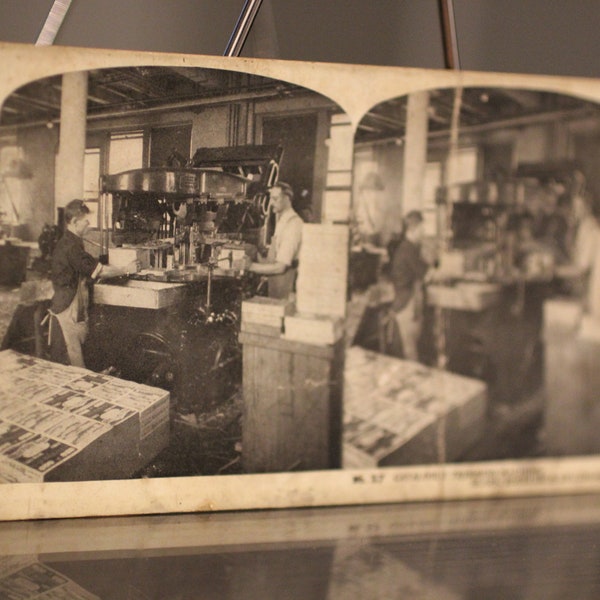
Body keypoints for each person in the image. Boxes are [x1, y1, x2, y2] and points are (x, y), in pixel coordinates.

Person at [48, 199, 139, 367]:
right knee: (73, 363)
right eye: (86, 221)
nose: (89, 225)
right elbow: (100, 271)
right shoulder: (71, 247)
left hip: (72, 305)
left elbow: (85, 266)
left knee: (78, 357)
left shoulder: (72, 242)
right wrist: (127, 269)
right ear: (75, 222)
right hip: (66, 308)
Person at [247, 182, 303, 299]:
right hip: (277, 285)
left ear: (287, 199)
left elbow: (281, 266)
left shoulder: (293, 225)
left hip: (287, 286)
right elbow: (273, 261)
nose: (271, 203)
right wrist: (255, 254)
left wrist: (250, 266)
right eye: (271, 198)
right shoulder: (282, 221)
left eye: (275, 199)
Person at [389, 210, 429, 362]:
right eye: (422, 229)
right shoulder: (408, 249)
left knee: (409, 349)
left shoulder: (409, 248)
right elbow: (424, 274)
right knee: (410, 352)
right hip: (407, 304)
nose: (424, 232)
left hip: (406, 301)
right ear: (413, 229)